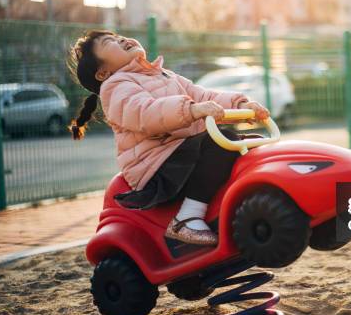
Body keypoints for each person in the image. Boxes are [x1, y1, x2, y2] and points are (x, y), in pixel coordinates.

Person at [67, 30, 269, 246]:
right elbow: (144, 113)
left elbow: (203, 95)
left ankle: (244, 201)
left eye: (119, 37)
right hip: (157, 165)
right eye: (110, 42)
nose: (122, 39)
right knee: (222, 141)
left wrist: (240, 104)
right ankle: (187, 219)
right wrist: (191, 110)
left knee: (245, 142)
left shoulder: (164, 75)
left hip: (182, 152)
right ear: (102, 73)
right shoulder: (115, 87)